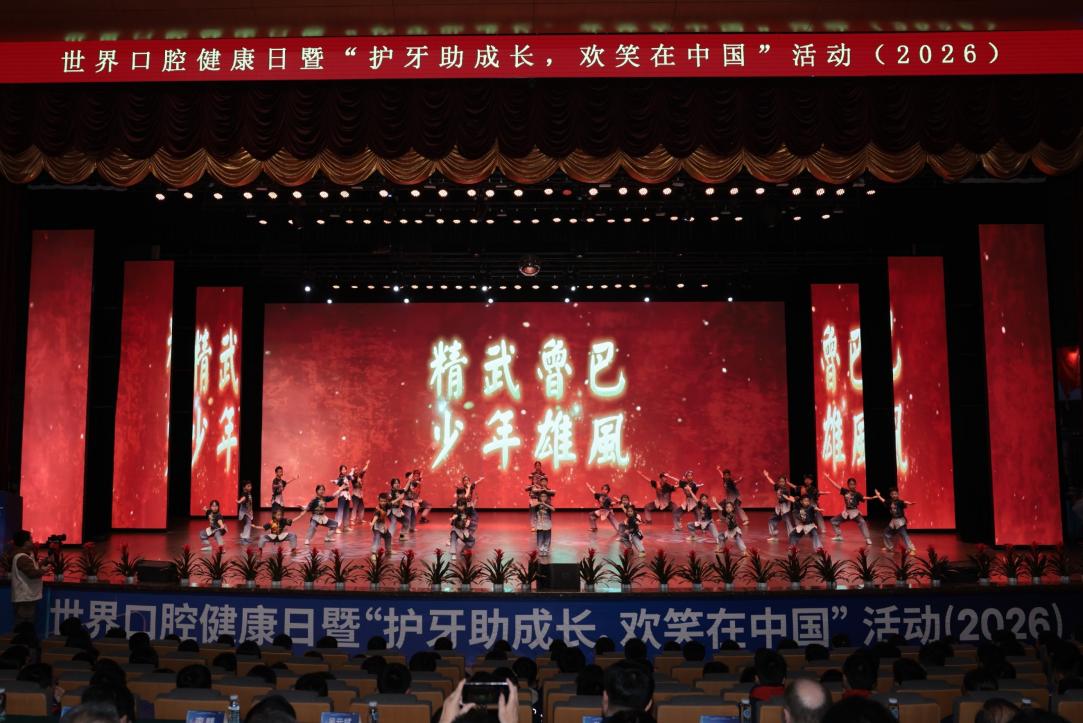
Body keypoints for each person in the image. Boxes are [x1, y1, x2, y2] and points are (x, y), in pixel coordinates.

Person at [826, 475, 874, 545]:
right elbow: (836, 486)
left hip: (854, 513)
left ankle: (867, 538)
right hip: (847, 513)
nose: (852, 486)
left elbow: (863, 498)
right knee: (833, 520)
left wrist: (872, 498)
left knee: (862, 522)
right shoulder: (845, 491)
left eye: (853, 484)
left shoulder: (857, 494)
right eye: (851, 484)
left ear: (855, 485)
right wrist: (828, 478)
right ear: (848, 485)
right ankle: (839, 536)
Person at [11, 530, 44, 628]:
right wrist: (43, 571)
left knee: (25, 625)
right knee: (24, 626)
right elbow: (32, 573)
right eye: (31, 539)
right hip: (25, 598)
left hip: (27, 597)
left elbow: (32, 568)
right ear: (26, 543)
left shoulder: (26, 555)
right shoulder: (22, 557)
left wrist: (44, 563)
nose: (32, 541)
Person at [763, 470, 797, 542]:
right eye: (780, 481)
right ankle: (774, 536)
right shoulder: (778, 487)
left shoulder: (785, 490)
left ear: (785, 482)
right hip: (778, 508)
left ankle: (792, 537)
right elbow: (772, 482)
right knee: (771, 520)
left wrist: (794, 500)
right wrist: (767, 476)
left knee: (788, 522)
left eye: (783, 482)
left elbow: (789, 497)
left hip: (784, 509)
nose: (781, 483)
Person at [332, 464, 357, 533]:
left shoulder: (346, 476)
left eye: (345, 469)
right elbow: (338, 481)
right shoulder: (340, 477)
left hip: (347, 495)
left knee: (346, 511)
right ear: (340, 470)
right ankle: (336, 527)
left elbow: (351, 477)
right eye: (343, 469)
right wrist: (335, 481)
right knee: (340, 511)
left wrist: (352, 471)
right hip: (342, 495)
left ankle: (346, 526)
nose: (344, 471)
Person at [369, 493, 394, 558]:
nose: (383, 503)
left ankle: (388, 550)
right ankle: (374, 553)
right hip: (376, 525)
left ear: (387, 501)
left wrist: (399, 498)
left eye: (384, 501)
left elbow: (392, 503)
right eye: (381, 501)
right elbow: (376, 517)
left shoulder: (387, 505)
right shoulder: (378, 509)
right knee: (377, 537)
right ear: (379, 501)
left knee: (388, 536)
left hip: (382, 524)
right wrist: (372, 523)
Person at [533, 490, 555, 556]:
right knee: (540, 538)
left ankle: (546, 550)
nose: (543, 498)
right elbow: (532, 506)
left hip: (547, 524)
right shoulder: (537, 505)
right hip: (539, 525)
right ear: (539, 497)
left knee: (547, 537)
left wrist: (545, 504)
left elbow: (553, 509)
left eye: (545, 496)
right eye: (542, 496)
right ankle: (540, 550)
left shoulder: (548, 505)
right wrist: (539, 503)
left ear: (547, 497)